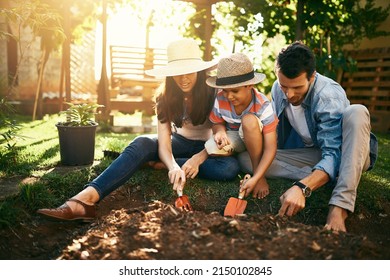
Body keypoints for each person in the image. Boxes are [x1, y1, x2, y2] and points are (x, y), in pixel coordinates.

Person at [37, 38, 240, 221]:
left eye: (188, 71)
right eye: (177, 73)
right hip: (180, 143)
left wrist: (199, 158)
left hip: (209, 147)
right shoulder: (165, 97)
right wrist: (172, 166)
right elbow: (164, 141)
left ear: (199, 70)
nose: (183, 78)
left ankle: (152, 164)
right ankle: (85, 199)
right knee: (142, 142)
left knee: (229, 168)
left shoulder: (215, 92)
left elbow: (225, 135)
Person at [238, 41, 378, 232]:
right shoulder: (278, 89)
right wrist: (258, 173)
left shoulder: (327, 96)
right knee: (247, 159)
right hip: (313, 153)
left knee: (357, 112)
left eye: (297, 87)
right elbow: (273, 134)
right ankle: (328, 176)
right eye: (284, 86)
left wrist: (302, 187)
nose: (289, 94)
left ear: (312, 76)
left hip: (347, 153)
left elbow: (333, 152)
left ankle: (340, 207)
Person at [204, 53, 278, 199]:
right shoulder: (220, 98)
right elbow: (216, 122)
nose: (229, 96)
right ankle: (181, 163)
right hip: (234, 137)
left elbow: (271, 147)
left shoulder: (263, 105)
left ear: (249, 85)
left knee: (249, 120)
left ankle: (257, 171)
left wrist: (258, 178)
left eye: (235, 91)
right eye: (225, 90)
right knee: (211, 147)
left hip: (256, 139)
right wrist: (219, 132)